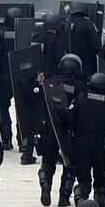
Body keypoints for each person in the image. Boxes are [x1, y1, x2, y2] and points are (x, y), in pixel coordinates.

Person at [21, 13, 68, 166]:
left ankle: (27, 154)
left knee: (33, 118)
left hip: (34, 82)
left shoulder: (34, 39)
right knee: (52, 120)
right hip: (51, 84)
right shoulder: (57, 42)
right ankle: (54, 153)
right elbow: (62, 62)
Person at [39, 54, 85, 207]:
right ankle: (64, 197)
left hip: (50, 127)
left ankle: (45, 181)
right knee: (69, 163)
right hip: (69, 131)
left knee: (48, 160)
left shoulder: (50, 83)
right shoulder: (80, 87)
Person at [67, 72, 105, 207]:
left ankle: (80, 200)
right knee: (101, 181)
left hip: (81, 145)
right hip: (101, 146)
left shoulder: (80, 98)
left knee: (83, 180)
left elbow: (68, 119)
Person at [0, 6, 23, 149]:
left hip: (2, 76)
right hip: (20, 76)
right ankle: (23, 140)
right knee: (22, 109)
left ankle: (6, 140)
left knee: (2, 109)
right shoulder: (24, 32)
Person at [67, 7, 102, 77]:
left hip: (66, 67)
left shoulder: (64, 24)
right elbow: (97, 46)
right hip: (84, 68)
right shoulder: (88, 24)